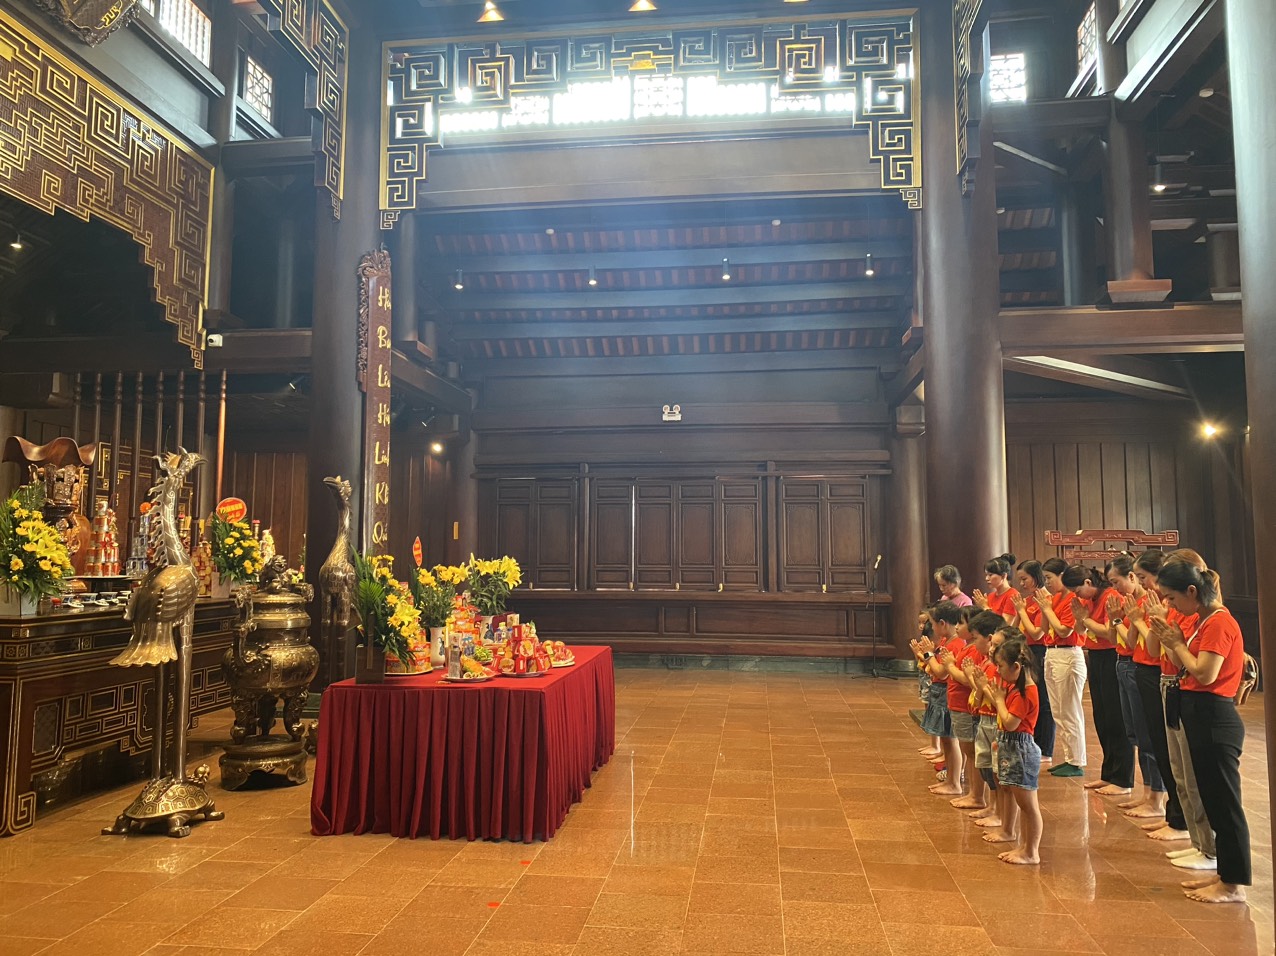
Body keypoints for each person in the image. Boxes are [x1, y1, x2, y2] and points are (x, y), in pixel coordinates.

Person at [1151, 558, 1250, 904]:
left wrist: (1177, 643)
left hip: (1215, 716)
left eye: (1172, 597)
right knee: (1211, 799)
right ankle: (1224, 874)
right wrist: (1171, 639)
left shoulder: (1219, 622)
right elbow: (1181, 663)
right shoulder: (1201, 619)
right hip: (1197, 713)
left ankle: (1233, 884)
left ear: (1192, 591)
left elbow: (1206, 673)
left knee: (1225, 805)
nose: (1170, 605)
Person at [1128, 550, 1191, 841]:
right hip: (1155, 672)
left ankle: (1180, 820)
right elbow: (1152, 647)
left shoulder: (1181, 608)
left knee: (1171, 753)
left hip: (1169, 677)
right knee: (1156, 744)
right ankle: (1173, 815)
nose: (1142, 583)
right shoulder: (1162, 605)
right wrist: (1147, 620)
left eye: (1144, 577)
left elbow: (1172, 652)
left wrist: (1152, 620)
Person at [1105, 555, 1168, 819]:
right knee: (1137, 734)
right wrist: (1117, 619)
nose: (1115, 587)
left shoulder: (1156, 602)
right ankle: (1148, 793)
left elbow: (1147, 639)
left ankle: (1157, 798)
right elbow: (1127, 640)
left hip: (1147, 669)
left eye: (1142, 577)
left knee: (1150, 737)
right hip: (1132, 665)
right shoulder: (1135, 603)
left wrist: (1131, 620)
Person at [973, 634, 1044, 865]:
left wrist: (999, 700)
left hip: (1021, 750)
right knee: (1021, 802)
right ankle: (1024, 846)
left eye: (1001, 666)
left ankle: (1031, 851)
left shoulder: (1026, 692)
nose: (998, 671)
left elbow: (1011, 722)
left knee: (1029, 806)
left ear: (1016, 667)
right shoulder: (1016, 687)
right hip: (1011, 745)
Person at [1063, 564, 1134, 795]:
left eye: (1077, 590)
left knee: (1116, 718)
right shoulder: (1088, 601)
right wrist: (1080, 619)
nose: (1076, 596)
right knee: (1102, 717)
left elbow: (1108, 632)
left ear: (1087, 582)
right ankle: (1108, 773)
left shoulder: (1111, 597)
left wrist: (1085, 619)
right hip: (1095, 657)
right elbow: (1080, 631)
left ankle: (1123, 779)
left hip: (1112, 656)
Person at [944, 609, 1000, 813]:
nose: (958, 627)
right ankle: (976, 795)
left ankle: (980, 798)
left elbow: (976, 685)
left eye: (976, 638)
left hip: (983, 716)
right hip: (970, 709)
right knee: (974, 753)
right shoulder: (978, 655)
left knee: (981, 759)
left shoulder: (986, 660)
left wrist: (951, 667)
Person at [1035, 557, 1085, 777]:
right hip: (1052, 651)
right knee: (1058, 710)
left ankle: (1076, 761)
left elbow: (1064, 630)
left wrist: (1047, 609)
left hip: (1068, 653)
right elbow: (1046, 628)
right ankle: (1068, 757)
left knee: (1070, 710)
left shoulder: (1074, 598)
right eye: (1045, 578)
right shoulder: (1054, 598)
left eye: (1049, 578)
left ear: (1062, 576)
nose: (1047, 582)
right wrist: (1044, 608)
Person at [915, 601, 965, 794]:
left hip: (945, 692)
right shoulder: (946, 641)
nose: (932, 628)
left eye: (933, 623)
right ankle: (950, 780)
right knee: (946, 741)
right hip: (941, 692)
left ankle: (954, 782)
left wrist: (928, 654)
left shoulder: (955, 644)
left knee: (951, 741)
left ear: (943, 623)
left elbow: (941, 672)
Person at [1010, 559, 1054, 763]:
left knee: (1043, 700)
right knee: (1029, 696)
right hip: (1026, 650)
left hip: (1041, 650)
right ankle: (1032, 742)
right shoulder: (1027, 601)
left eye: (1025, 579)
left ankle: (1046, 747)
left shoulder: (1046, 599)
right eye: (1019, 580)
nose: (1021, 584)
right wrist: (1019, 611)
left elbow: (1037, 633)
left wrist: (1021, 611)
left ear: (1037, 577)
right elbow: (1013, 629)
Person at [974, 553, 1018, 622]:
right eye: (986, 575)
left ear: (1003, 576)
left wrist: (985, 607)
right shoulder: (990, 596)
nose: (986, 578)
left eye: (990, 575)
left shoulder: (1012, 595)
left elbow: (1005, 624)